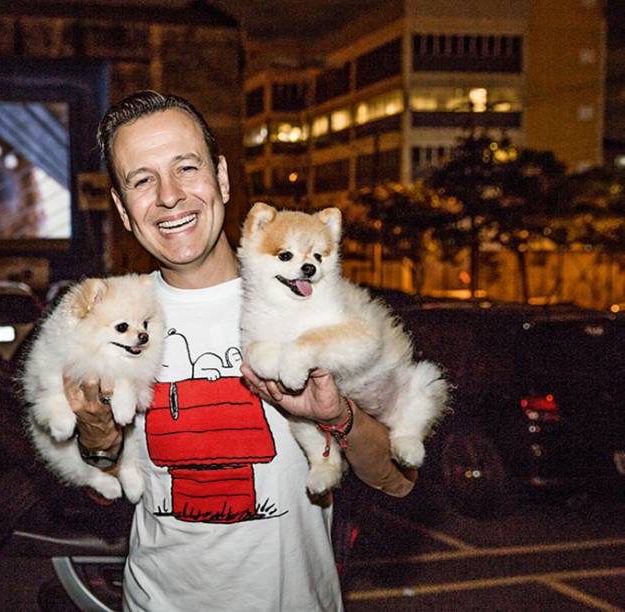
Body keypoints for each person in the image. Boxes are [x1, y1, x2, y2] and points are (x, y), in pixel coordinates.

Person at [64, 90, 415, 611]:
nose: (169, 195)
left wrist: (340, 417)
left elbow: (398, 480)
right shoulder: (111, 320)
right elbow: (106, 488)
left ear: (222, 178)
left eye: (186, 167)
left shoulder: (321, 306)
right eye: (142, 179)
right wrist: (96, 436)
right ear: (122, 206)